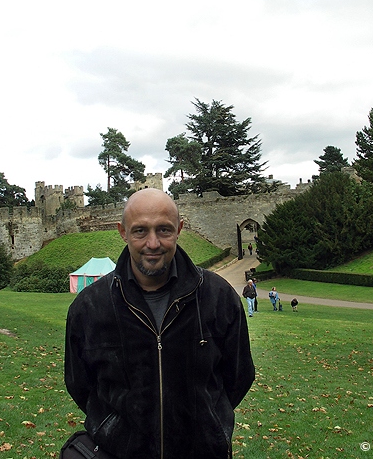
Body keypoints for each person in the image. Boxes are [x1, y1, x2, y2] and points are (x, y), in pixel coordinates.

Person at [64, 188, 255, 458]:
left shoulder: (218, 297)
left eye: (164, 230)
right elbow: (79, 384)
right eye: (140, 231)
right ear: (123, 232)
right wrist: (115, 428)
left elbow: (239, 376)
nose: (152, 243)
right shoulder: (90, 308)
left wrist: (207, 424)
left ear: (179, 229)